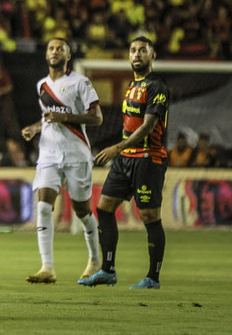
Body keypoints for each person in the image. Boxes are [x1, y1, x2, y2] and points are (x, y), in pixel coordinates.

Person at [79, 36, 170, 290]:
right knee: (104, 208)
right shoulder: (132, 85)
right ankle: (108, 271)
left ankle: (153, 277)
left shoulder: (157, 87)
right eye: (133, 50)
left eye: (143, 50)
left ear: (153, 55)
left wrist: (117, 147)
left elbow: (148, 126)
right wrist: (121, 151)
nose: (137, 54)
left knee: (150, 216)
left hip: (147, 159)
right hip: (125, 159)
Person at [21, 38, 103, 284]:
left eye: (60, 49)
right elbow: (48, 118)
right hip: (49, 153)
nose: (55, 52)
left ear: (68, 56)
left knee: (82, 211)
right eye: (51, 48)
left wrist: (64, 118)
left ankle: (95, 259)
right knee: (43, 205)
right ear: (46, 54)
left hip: (76, 153)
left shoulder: (80, 82)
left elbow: (97, 117)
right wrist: (35, 128)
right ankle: (47, 267)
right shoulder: (42, 85)